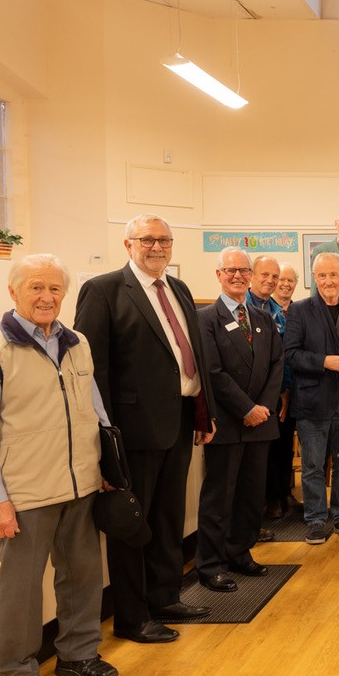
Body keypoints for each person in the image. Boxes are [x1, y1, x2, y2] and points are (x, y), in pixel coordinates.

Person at [0, 254, 118, 676]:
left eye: (54, 289)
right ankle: (17, 675)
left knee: (84, 576)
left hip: (82, 484)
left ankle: (78, 653)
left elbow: (95, 409)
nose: (46, 297)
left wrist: (108, 466)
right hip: (25, 492)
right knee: (21, 588)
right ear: (13, 292)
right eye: (35, 288)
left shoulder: (78, 343)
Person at [74, 214, 216, 644]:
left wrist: (202, 413)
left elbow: (192, 355)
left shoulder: (180, 289)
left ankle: (165, 596)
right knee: (133, 523)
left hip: (178, 419)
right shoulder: (104, 291)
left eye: (164, 240)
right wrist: (105, 435)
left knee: (169, 516)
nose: (157, 247)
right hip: (131, 430)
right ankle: (132, 617)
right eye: (148, 239)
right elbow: (91, 370)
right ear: (128, 243)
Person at [194, 247, 284, 592]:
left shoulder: (262, 318)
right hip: (228, 423)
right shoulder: (204, 319)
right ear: (218, 275)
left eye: (243, 271)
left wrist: (262, 407)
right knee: (220, 495)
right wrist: (246, 408)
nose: (237, 276)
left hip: (261, 423)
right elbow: (212, 372)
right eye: (230, 270)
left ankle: (240, 552)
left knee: (250, 494)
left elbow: (277, 365)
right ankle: (211, 564)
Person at [283, 252, 339, 544]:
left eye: (333, 275)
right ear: (314, 278)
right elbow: (291, 354)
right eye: (321, 275)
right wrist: (324, 361)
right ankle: (316, 520)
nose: (328, 281)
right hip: (312, 400)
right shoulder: (299, 310)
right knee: (312, 465)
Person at [247, 256, 288, 535]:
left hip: (275, 394)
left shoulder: (278, 312)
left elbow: (281, 358)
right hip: (243, 402)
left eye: (275, 276)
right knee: (248, 467)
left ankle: (276, 498)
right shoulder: (241, 307)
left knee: (276, 452)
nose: (271, 281)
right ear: (252, 275)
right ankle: (251, 520)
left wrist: (282, 393)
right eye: (265, 275)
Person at [263, 262, 299, 520]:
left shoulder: (298, 310)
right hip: (271, 390)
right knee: (271, 446)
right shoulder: (264, 309)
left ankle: (285, 491)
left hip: (293, 388)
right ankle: (271, 498)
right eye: (281, 279)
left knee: (286, 443)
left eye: (290, 281)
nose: (285, 284)